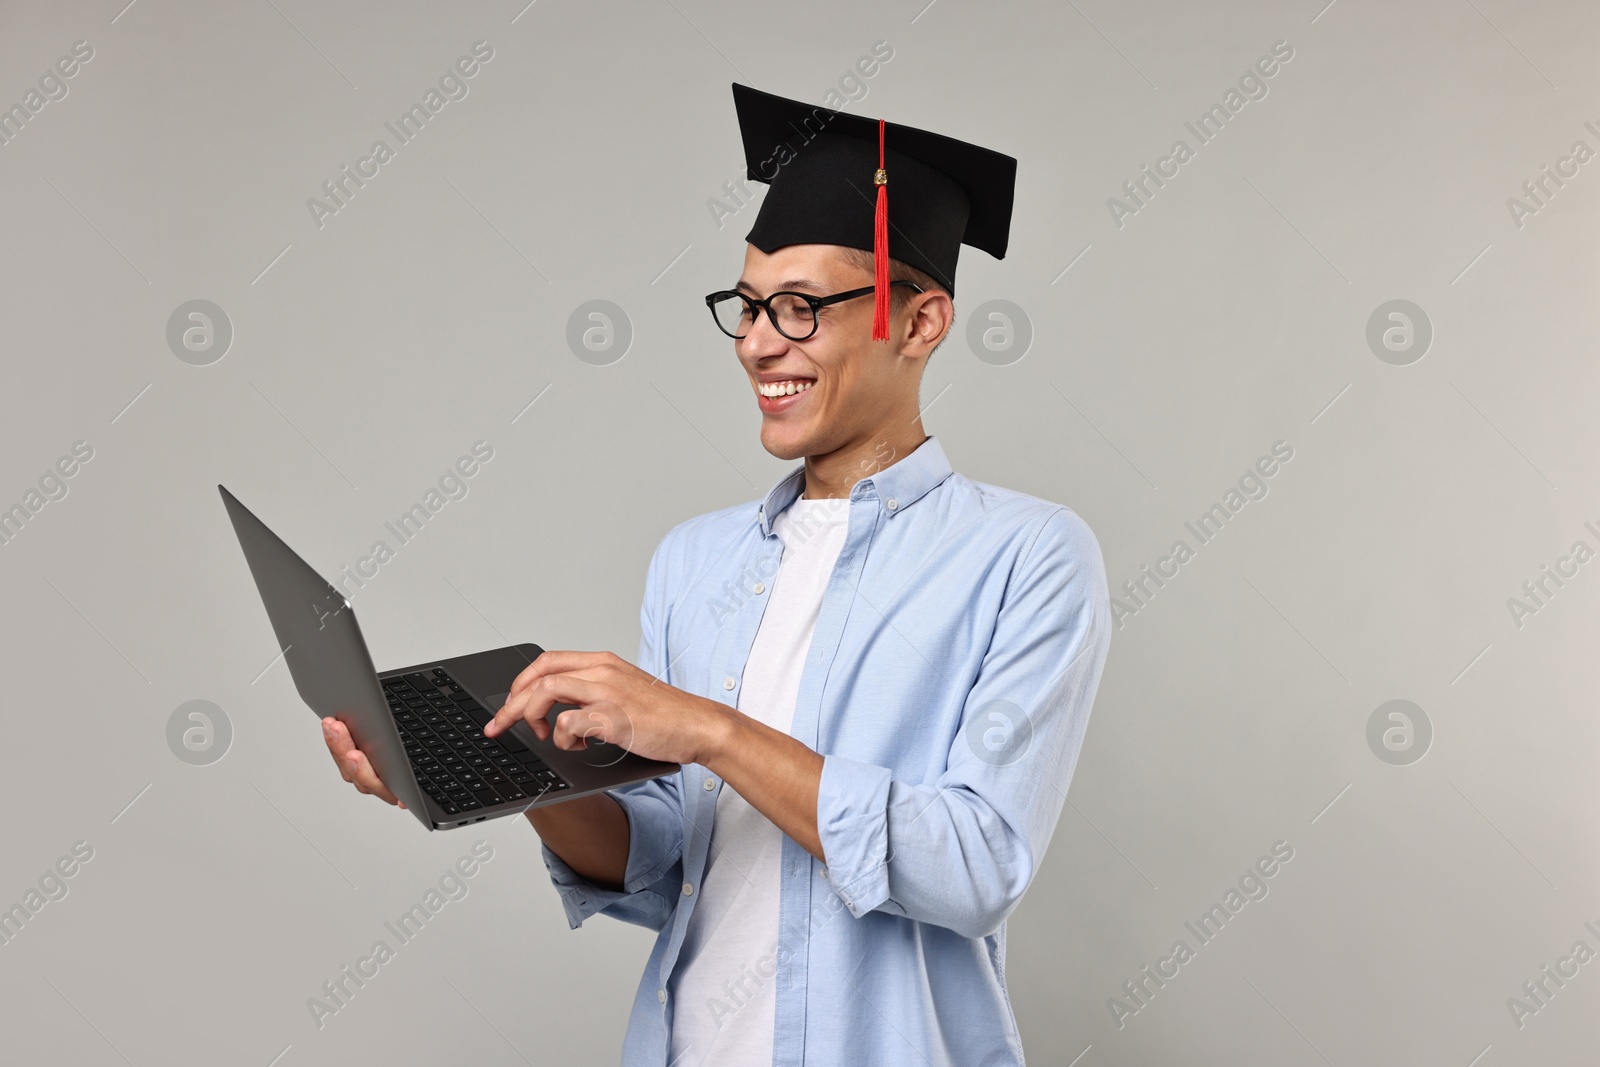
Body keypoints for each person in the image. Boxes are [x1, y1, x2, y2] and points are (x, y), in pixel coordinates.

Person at [322, 82, 1112, 1066]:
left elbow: (974, 865)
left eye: (800, 307)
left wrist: (706, 725)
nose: (756, 343)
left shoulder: (1025, 555)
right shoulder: (698, 559)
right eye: (745, 306)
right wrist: (510, 775)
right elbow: (662, 871)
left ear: (920, 323)